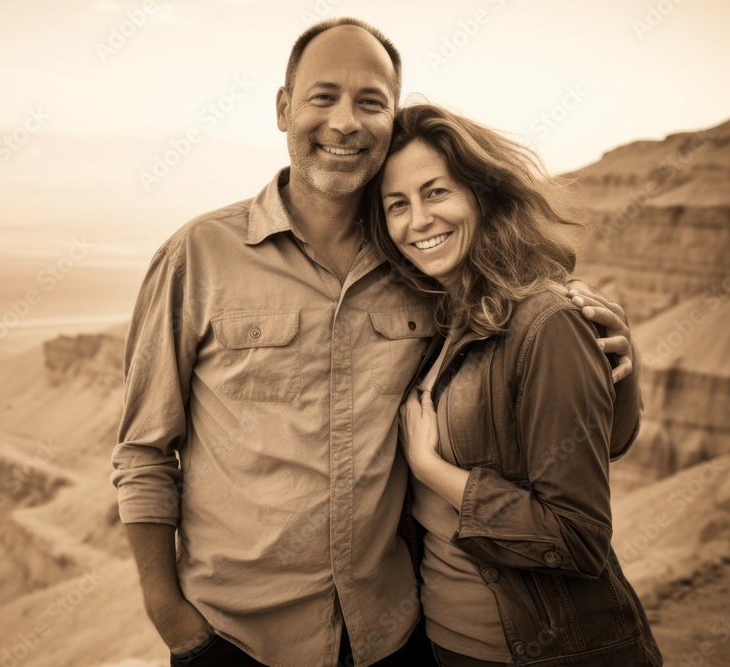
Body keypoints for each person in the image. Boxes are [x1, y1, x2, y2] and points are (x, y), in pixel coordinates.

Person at [111, 18, 640, 667]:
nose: (344, 121)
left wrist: (614, 368)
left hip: (392, 636)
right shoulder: (199, 256)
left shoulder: (421, 267)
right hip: (239, 641)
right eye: (322, 96)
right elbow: (143, 451)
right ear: (284, 108)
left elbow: (553, 430)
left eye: (370, 101)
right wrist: (175, 623)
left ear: (390, 119)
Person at [369, 103, 661, 666]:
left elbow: (578, 535)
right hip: (446, 645)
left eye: (436, 193)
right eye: (396, 205)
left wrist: (435, 471)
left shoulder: (544, 321)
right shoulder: (442, 319)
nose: (418, 221)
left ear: (482, 194)